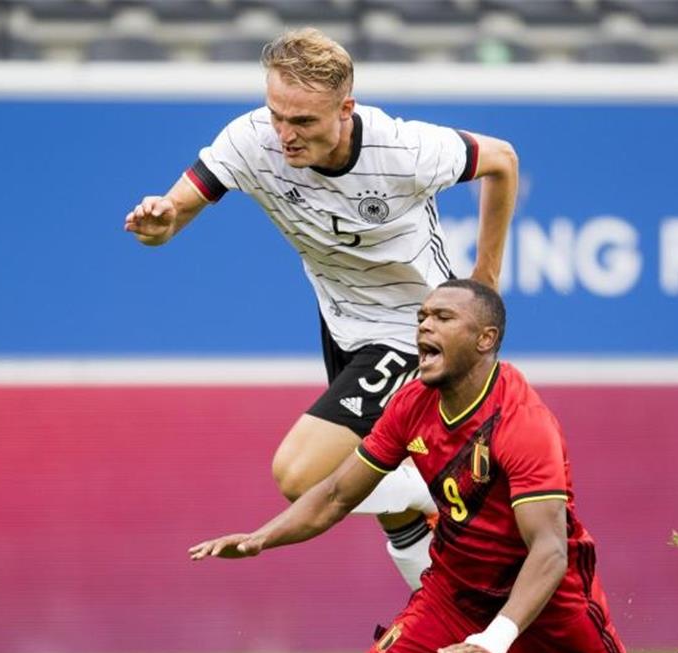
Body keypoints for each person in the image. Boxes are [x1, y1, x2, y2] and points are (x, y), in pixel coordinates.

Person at [189, 279, 678, 653]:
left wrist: (500, 635)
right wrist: (262, 537)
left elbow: (549, 550)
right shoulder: (412, 402)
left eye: (442, 318)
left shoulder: (523, 422)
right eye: (421, 317)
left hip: (547, 602)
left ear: (485, 339)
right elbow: (335, 494)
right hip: (455, 597)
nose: (423, 328)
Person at [124, 27, 519, 592]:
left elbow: (502, 160)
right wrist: (159, 225)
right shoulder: (250, 139)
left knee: (299, 473)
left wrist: (486, 278)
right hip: (341, 324)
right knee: (396, 517)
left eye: (303, 121)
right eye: (277, 113)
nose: (284, 134)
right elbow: (172, 217)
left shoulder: (403, 150)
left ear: (345, 109)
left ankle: (425, 486)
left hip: (414, 324)